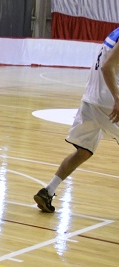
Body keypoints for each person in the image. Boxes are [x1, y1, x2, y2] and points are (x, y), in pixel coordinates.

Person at [34, 26, 119, 213]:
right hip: (108, 103)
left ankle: (48, 190)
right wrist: (117, 98)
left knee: (83, 152)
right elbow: (107, 67)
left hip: (90, 101)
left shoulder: (114, 33)